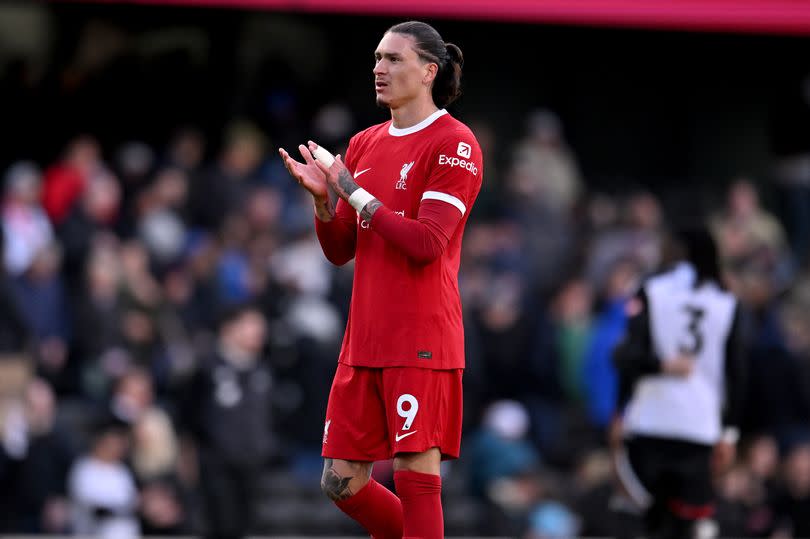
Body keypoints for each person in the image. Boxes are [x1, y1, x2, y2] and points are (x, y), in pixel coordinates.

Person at [279, 20, 483, 539]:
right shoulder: (365, 143)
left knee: (416, 474)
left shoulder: (454, 143)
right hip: (364, 338)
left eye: (393, 59)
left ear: (429, 71)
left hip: (419, 337)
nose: (378, 68)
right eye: (376, 58)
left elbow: (426, 242)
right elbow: (340, 251)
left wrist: (349, 190)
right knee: (340, 481)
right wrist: (325, 203)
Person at [609, 228, 747, 539]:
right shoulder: (727, 302)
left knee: (640, 521)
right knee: (691, 526)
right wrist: (730, 433)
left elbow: (624, 357)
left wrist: (620, 411)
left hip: (650, 423)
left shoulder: (651, 291)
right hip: (699, 430)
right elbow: (738, 374)